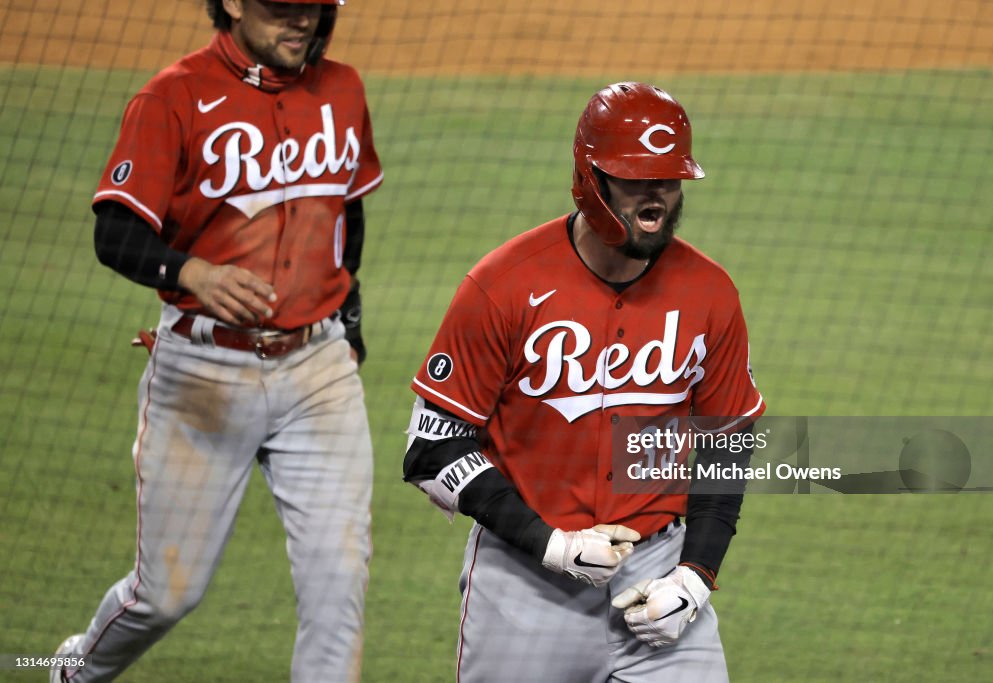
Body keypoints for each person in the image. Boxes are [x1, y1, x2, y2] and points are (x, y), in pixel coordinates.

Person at [52, 1, 381, 681]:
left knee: (339, 583)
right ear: (233, 2)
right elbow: (113, 232)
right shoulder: (172, 96)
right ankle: (75, 669)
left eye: (313, 9)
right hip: (202, 374)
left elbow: (346, 212)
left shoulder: (343, 89)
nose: (303, 23)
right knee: (165, 596)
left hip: (318, 375)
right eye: (284, 9)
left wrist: (346, 322)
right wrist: (190, 269)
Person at [403, 82, 765, 682]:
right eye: (635, 179)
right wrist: (551, 545)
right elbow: (433, 446)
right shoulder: (504, 286)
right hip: (525, 585)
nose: (656, 198)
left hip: (659, 579)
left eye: (669, 180)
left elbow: (726, 443)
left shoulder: (710, 292)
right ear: (589, 179)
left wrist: (695, 577)